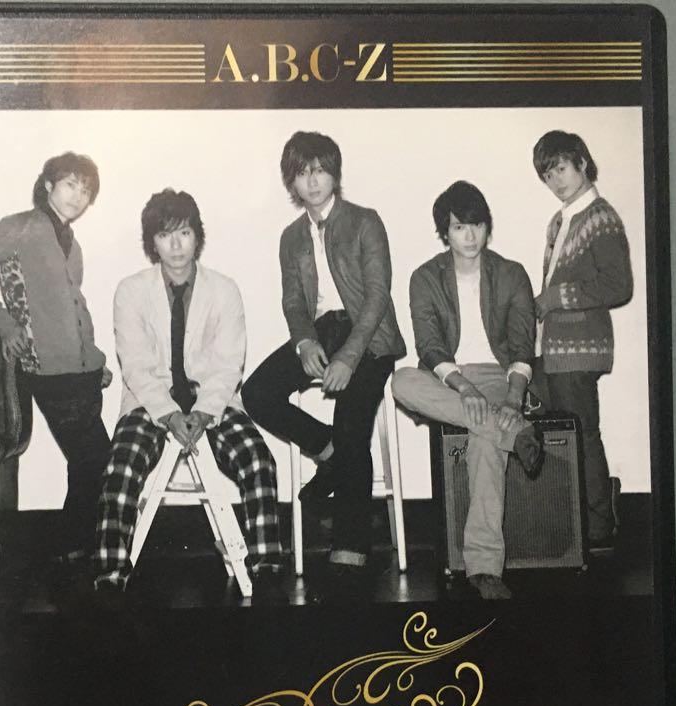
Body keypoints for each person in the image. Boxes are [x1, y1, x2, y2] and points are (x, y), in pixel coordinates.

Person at [94, 189, 283, 597]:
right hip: (149, 402)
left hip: (212, 401)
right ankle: (110, 576)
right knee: (120, 467)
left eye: (184, 233)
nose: (176, 245)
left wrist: (204, 411)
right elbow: (135, 365)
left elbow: (229, 364)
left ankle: (267, 566)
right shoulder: (130, 290)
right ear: (152, 242)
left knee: (258, 460)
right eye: (164, 235)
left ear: (198, 235)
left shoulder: (225, 290)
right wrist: (167, 413)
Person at [242, 131, 406, 584]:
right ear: (291, 182)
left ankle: (351, 548)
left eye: (319, 171)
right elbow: (294, 301)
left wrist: (349, 357)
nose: (312, 181)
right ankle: (328, 450)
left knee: (352, 424)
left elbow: (376, 297)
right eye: (302, 173)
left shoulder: (365, 221)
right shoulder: (290, 237)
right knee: (257, 393)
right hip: (321, 331)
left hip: (371, 338)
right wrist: (304, 342)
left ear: (335, 173)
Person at [0, 152, 112, 568]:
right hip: (47, 369)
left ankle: (75, 550)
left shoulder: (72, 243)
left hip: (83, 370)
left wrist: (95, 359)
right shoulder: (20, 226)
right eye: (70, 184)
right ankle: (68, 550)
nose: (78, 196)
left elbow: (72, 307)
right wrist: (5, 326)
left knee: (90, 463)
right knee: (94, 459)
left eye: (86, 190)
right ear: (48, 185)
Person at [392, 181, 544, 601]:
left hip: (498, 376)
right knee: (401, 380)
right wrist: (463, 387)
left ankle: (484, 570)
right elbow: (429, 347)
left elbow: (522, 346)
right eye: (459, 227)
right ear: (445, 232)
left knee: (483, 441)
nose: (470, 236)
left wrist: (513, 398)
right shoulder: (425, 277)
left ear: (487, 227)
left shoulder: (511, 273)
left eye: (477, 225)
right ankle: (517, 434)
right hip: (448, 380)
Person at [532, 130, 633, 553]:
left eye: (560, 168)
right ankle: (578, 521)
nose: (555, 180)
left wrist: (555, 298)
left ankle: (599, 528)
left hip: (579, 348)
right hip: (551, 349)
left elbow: (618, 285)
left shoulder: (601, 217)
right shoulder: (560, 221)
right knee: (560, 437)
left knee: (581, 435)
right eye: (547, 174)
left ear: (582, 164)